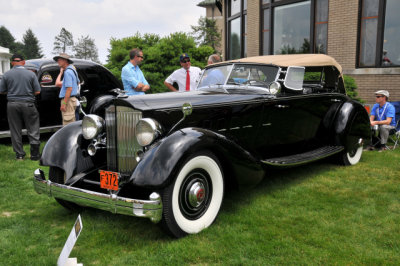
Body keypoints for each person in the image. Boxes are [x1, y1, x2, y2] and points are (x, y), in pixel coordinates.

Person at [0, 54, 41, 160]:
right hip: (28, 103)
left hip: (12, 104)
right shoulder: (31, 74)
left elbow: (1, 91)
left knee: (15, 130)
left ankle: (19, 155)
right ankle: (35, 155)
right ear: (23, 62)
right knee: (33, 128)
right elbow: (37, 91)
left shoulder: (6, 74)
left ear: (12, 63)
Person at [54, 53, 79, 126]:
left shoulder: (67, 72)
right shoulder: (73, 70)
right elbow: (78, 82)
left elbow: (69, 89)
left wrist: (64, 104)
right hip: (72, 100)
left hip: (68, 101)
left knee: (68, 125)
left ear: (65, 61)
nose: (58, 62)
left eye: (59, 60)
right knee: (72, 123)